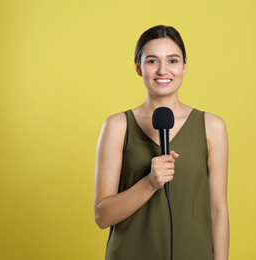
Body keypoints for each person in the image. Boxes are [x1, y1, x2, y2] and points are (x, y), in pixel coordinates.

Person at [94, 25, 229, 260]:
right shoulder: (117, 126)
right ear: (138, 67)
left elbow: (218, 210)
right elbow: (102, 216)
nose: (163, 70)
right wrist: (149, 183)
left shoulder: (212, 127)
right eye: (152, 61)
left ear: (185, 66)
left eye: (173, 61)